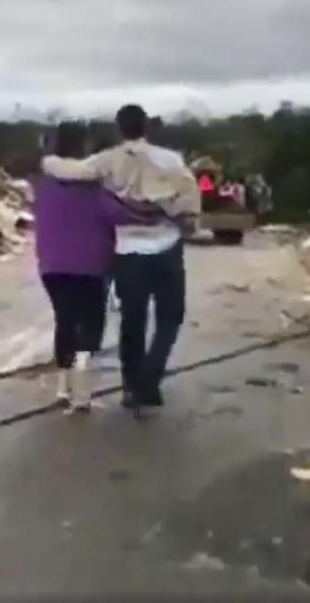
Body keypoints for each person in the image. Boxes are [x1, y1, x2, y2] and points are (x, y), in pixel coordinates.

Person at [41, 105, 199, 410]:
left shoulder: (105, 162)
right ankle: (148, 378)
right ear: (147, 127)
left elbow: (71, 170)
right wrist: (184, 219)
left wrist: (48, 161)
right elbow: (189, 195)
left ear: (118, 128)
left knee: (130, 321)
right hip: (164, 247)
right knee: (169, 317)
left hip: (124, 252)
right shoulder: (170, 160)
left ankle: (124, 387)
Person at [32, 121, 156, 412]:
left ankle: (63, 388)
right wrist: (159, 215)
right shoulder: (96, 186)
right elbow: (123, 214)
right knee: (89, 326)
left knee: (64, 321)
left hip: (52, 265)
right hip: (90, 266)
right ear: (83, 147)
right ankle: (82, 393)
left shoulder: (44, 183)